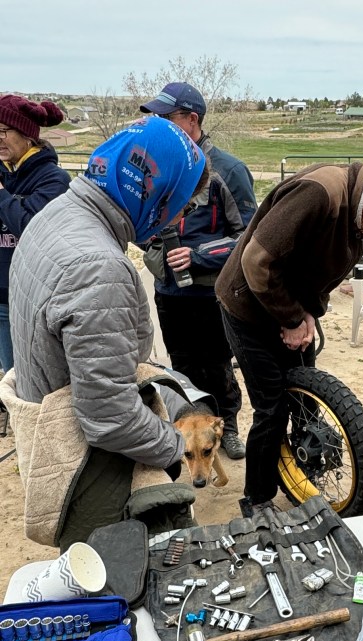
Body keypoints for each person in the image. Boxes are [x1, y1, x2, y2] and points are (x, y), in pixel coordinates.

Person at [0, 117, 207, 548]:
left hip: (54, 432)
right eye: (181, 204)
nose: (177, 218)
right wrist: (176, 446)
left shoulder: (57, 213)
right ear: (155, 191)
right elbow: (109, 418)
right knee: (128, 572)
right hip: (90, 470)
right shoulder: (98, 268)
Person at [216, 155, 363, 516]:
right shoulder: (318, 193)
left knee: (306, 398)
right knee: (272, 406)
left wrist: (308, 313)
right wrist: (292, 318)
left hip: (290, 303)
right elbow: (256, 262)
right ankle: (257, 499)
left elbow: (329, 270)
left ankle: (300, 475)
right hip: (248, 302)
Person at [139, 82, 257, 461]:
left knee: (218, 366)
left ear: (192, 119)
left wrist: (197, 256)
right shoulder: (155, 168)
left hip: (213, 294)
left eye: (166, 117)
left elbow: (250, 238)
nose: (158, 125)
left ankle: (229, 427)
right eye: (155, 118)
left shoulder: (229, 171)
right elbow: (140, 226)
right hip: (169, 294)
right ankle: (193, 434)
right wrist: (156, 249)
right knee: (183, 368)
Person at [0, 95, 71, 433]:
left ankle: (45, 433)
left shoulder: (53, 179)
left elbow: (29, 226)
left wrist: (2, 196)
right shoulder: (4, 172)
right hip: (2, 295)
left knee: (36, 381)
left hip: (34, 298)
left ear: (28, 135)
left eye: (5, 131)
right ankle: (17, 422)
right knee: (10, 370)